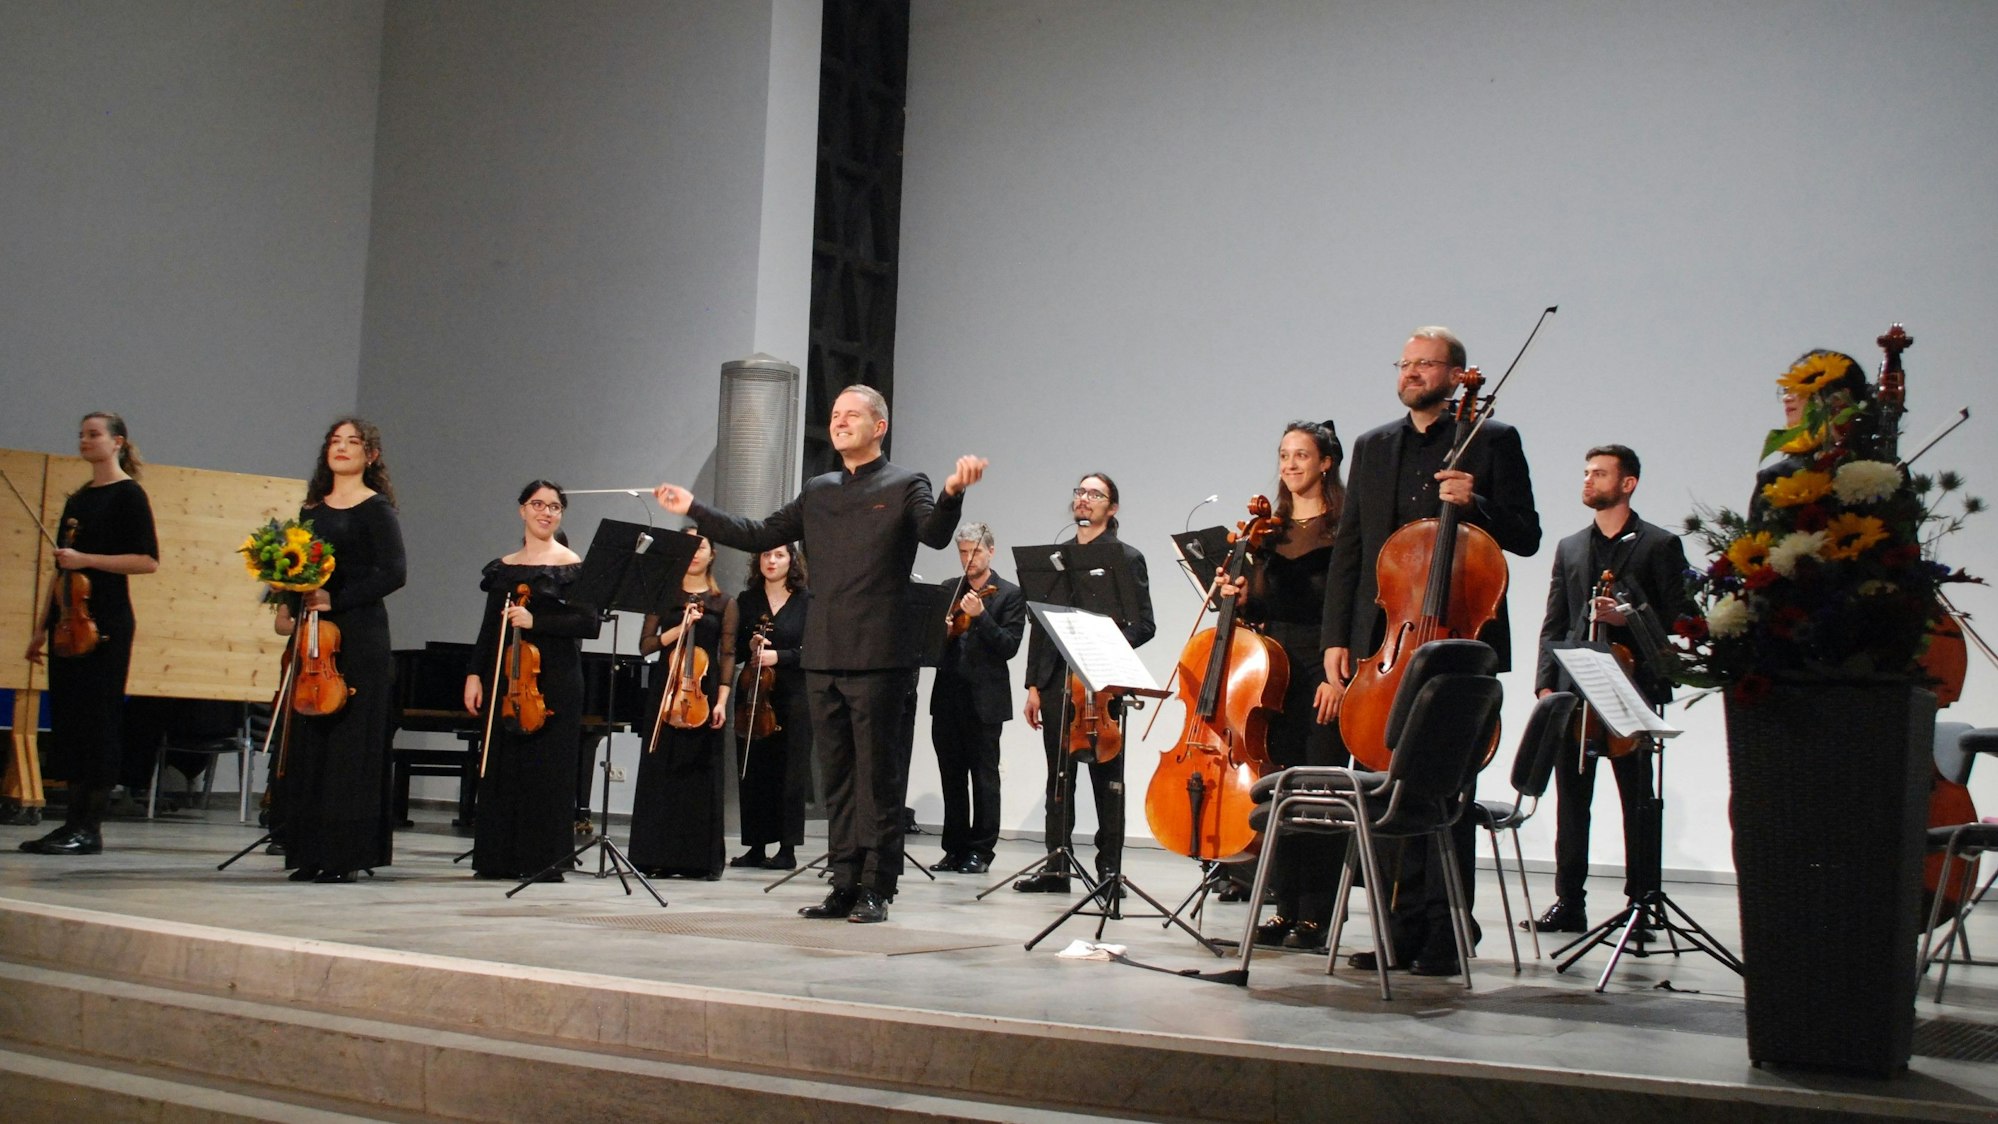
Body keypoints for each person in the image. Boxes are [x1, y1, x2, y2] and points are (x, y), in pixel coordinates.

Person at [654, 384, 986, 923]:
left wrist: (951, 492)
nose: (839, 422)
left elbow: (934, 534)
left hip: (881, 653)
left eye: (852, 415)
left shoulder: (906, 483)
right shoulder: (820, 489)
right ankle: (844, 881)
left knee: (878, 776)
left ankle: (878, 885)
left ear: (879, 427)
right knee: (835, 777)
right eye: (834, 415)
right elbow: (759, 531)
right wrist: (695, 508)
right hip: (824, 651)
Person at [1321, 327, 1540, 974]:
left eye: (1426, 364)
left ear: (1456, 374)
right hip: (1387, 646)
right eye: (1406, 363)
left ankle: (1447, 929)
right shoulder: (1373, 446)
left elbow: (1525, 535)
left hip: (1458, 648)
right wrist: (1339, 636)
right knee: (1386, 786)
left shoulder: (1492, 441)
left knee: (1447, 793)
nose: (1412, 372)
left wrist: (1478, 503)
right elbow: (1353, 552)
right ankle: (1395, 929)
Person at [1531, 445, 1691, 936]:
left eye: (1599, 473)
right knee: (1572, 803)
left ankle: (1641, 903)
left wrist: (1629, 617)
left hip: (1632, 687)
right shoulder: (1571, 546)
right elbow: (1555, 619)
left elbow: (1678, 619)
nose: (1588, 480)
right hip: (1576, 690)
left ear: (1628, 484)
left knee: (1637, 801)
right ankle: (1568, 902)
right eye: (1586, 472)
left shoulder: (1659, 545)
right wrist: (1544, 684)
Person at [1217, 421, 1350, 949]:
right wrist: (1242, 597)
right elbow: (1266, 607)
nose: (1290, 464)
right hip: (1274, 672)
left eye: (1301, 455)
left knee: (1320, 790)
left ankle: (1318, 914)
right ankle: (1285, 905)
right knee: (1279, 790)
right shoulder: (1265, 533)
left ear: (1326, 463)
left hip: (1325, 664)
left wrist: (1342, 676)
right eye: (1283, 455)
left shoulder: (1344, 529)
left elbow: (1354, 608)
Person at [272, 418, 406, 883]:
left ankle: (344, 854)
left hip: (359, 635)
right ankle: (308, 849)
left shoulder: (377, 509)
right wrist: (287, 604)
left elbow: (394, 573)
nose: (342, 448)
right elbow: (296, 567)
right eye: (335, 441)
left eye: (353, 442)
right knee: (313, 743)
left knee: (350, 745)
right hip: (314, 637)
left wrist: (337, 599)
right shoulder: (311, 511)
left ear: (370, 455)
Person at [18, 412, 158, 855]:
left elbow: (146, 560)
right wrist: (41, 628)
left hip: (107, 623)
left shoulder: (129, 495)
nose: (84, 440)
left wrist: (88, 560)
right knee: (70, 724)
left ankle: (90, 827)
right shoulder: (77, 499)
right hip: (68, 624)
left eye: (93, 434)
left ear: (117, 442)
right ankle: (69, 824)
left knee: (98, 724)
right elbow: (60, 569)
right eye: (80, 434)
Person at [1016, 473, 1156, 894]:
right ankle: (1056, 867)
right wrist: (1033, 686)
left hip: (1102, 683)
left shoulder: (1125, 558)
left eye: (1095, 494)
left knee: (1106, 780)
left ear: (1111, 508)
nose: (1084, 499)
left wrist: (1104, 648)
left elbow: (1144, 624)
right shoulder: (1055, 560)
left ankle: (1109, 872)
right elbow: (1040, 624)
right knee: (1057, 778)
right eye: (1080, 491)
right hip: (1058, 681)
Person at [462, 481, 599, 882]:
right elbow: (489, 629)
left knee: (547, 770)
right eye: (538, 504)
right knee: (503, 767)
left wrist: (537, 621)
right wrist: (474, 673)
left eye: (554, 507)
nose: (546, 512)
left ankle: (544, 861)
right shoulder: (504, 567)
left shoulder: (572, 564)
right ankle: (498, 857)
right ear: (522, 510)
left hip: (554, 679)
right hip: (507, 678)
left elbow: (588, 623)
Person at [629, 532, 736, 880]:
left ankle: (698, 860)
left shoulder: (723, 602)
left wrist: (721, 702)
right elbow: (646, 646)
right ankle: (653, 855)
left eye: (701, 546)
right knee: (660, 773)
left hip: (702, 697)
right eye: (687, 546)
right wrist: (678, 630)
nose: (694, 553)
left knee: (699, 776)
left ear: (712, 554)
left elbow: (728, 655)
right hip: (665, 693)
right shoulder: (663, 595)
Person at [928, 522, 1026, 874]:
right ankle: (953, 848)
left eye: (975, 552)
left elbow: (1009, 647)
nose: (968, 559)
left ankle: (980, 851)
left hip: (985, 701)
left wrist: (981, 617)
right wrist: (942, 632)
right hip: (948, 698)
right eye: (963, 552)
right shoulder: (947, 590)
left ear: (990, 551)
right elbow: (930, 647)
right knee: (951, 776)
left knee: (984, 777)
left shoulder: (1009, 594)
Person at [730, 543, 813, 871]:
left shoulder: (808, 601)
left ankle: (787, 848)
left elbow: (814, 650)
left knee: (791, 771)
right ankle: (755, 845)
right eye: (766, 555)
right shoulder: (747, 600)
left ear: (792, 560)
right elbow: (733, 649)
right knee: (753, 768)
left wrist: (780, 656)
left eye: (779, 555)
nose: (771, 561)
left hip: (793, 694)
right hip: (754, 693)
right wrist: (749, 645)